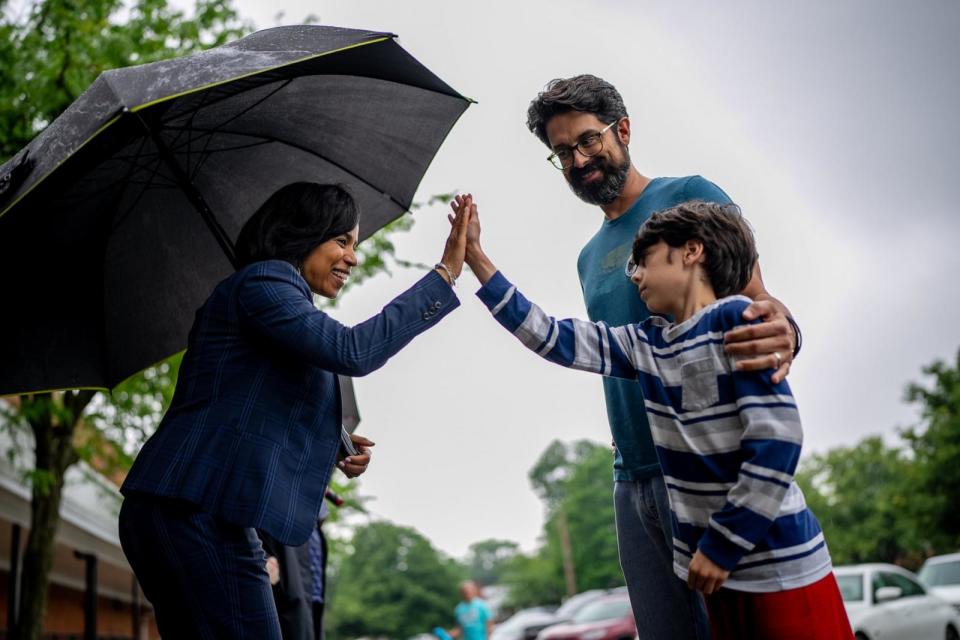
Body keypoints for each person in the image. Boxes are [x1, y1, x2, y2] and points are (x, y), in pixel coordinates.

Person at [458, 196, 852, 639]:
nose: (637, 277)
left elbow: (779, 442)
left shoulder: (735, 321)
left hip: (779, 569)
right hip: (719, 577)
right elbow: (552, 336)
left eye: (643, 261)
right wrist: (476, 259)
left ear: (691, 251)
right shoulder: (645, 344)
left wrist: (722, 546)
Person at [118, 182, 471, 638]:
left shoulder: (277, 299)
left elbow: (251, 402)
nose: (353, 257)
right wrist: (444, 274)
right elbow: (350, 350)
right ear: (302, 233)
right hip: (193, 509)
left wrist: (335, 444)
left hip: (195, 511)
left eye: (356, 245)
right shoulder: (265, 281)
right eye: (342, 241)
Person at [524, 75, 801, 639]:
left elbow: (760, 303)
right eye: (561, 153)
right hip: (632, 480)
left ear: (622, 130)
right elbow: (617, 353)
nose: (578, 160)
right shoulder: (587, 257)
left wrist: (786, 330)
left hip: (708, 468)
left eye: (587, 141)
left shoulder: (690, 195)